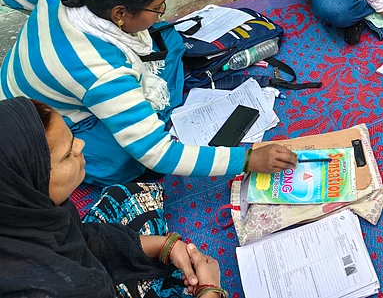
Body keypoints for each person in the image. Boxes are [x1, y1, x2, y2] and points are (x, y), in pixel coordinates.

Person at [0, 0, 298, 186]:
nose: (161, 12)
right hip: (44, 123)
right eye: (157, 7)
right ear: (119, 13)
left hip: (22, 88)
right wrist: (246, 160)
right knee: (125, 160)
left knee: (167, 40)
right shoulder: (103, 73)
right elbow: (159, 154)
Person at [0, 97, 228, 298]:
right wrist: (210, 290)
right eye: (67, 154)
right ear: (28, 182)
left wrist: (164, 246)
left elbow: (82, 240)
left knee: (122, 195)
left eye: (73, 138)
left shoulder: (25, 217)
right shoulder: (48, 288)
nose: (80, 145)